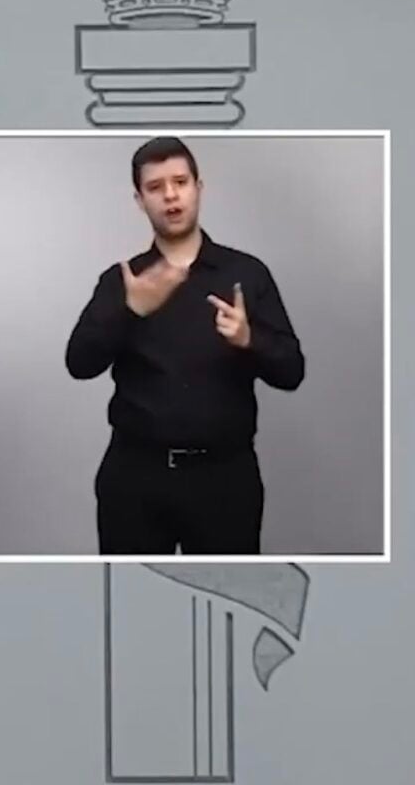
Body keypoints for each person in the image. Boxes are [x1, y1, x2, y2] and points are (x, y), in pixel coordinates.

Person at [64, 136, 304, 555]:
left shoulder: (246, 273)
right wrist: (130, 310)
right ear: (140, 200)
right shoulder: (123, 281)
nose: (170, 195)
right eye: (155, 187)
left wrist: (249, 339)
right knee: (130, 592)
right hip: (135, 478)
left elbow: (292, 372)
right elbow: (79, 363)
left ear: (198, 187)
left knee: (225, 588)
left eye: (180, 182)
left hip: (225, 479)